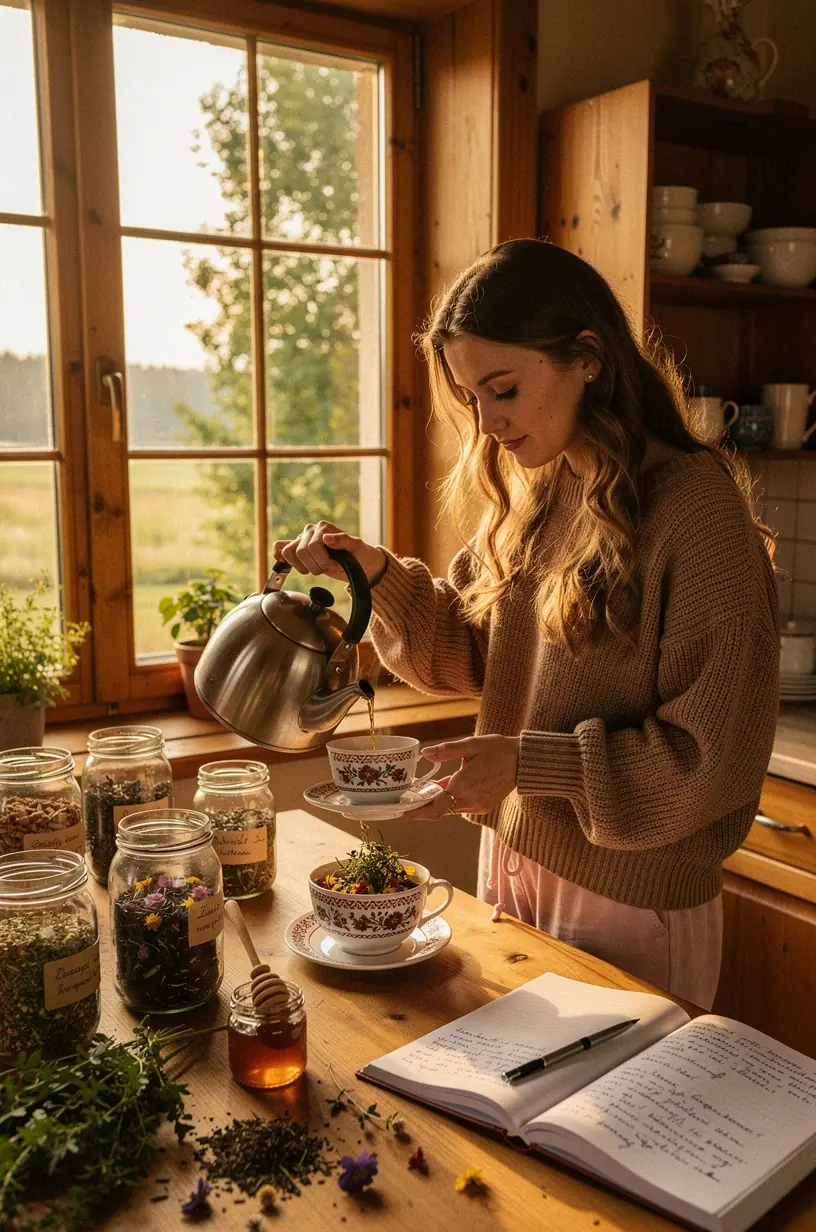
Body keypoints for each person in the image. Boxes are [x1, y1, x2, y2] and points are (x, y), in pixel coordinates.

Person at [275, 239, 779, 1011]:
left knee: (610, 1133)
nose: (486, 423)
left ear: (587, 356)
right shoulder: (547, 493)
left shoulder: (696, 510)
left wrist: (527, 766)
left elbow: (709, 764)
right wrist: (373, 572)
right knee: (496, 1133)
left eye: (501, 389)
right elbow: (482, 658)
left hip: (630, 901)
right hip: (511, 860)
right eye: (470, 397)